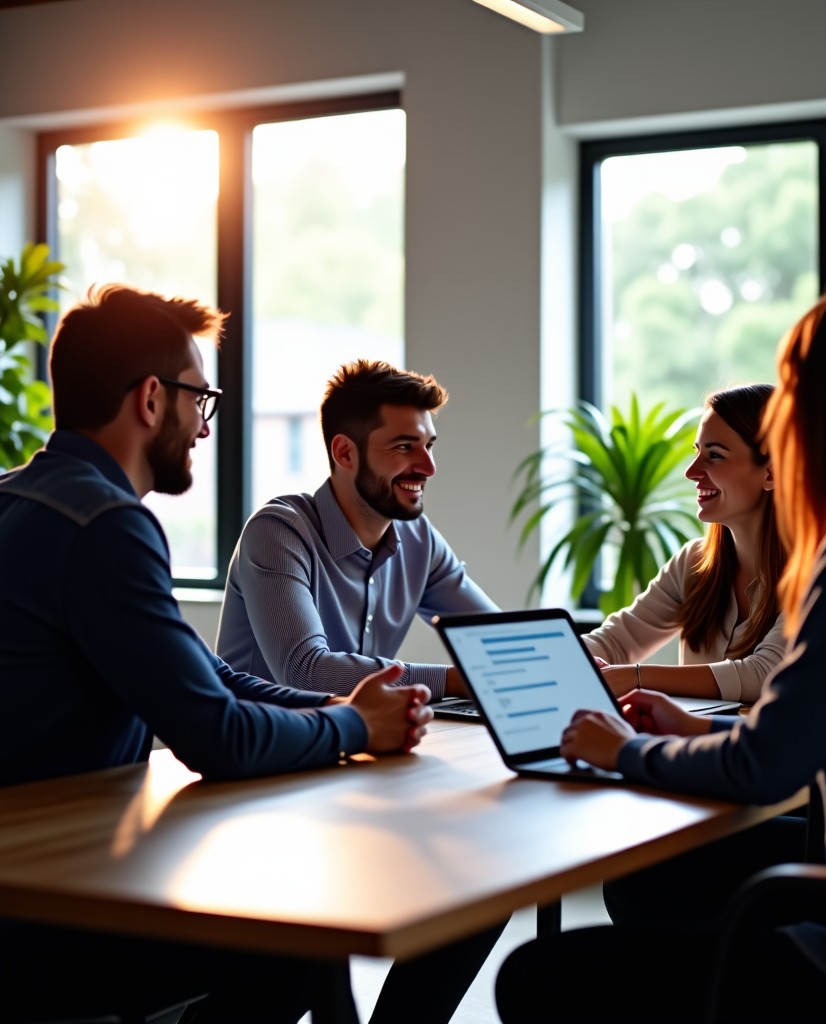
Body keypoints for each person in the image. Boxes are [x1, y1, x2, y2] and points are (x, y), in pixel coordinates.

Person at [494, 286, 826, 1023]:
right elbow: (816, 737)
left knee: (537, 978)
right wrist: (690, 730)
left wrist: (623, 751)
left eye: (794, 396)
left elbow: (766, 767)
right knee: (653, 885)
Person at [0, 283, 484, 1024]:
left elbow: (201, 672)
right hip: (50, 915)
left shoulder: (22, 498)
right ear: (151, 400)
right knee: (305, 927)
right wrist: (355, 728)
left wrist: (341, 710)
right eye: (201, 398)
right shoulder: (107, 526)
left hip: (50, 864)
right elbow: (217, 735)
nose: (203, 423)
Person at [216, 357, 498, 702]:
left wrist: (579, 647)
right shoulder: (278, 532)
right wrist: (453, 680)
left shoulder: (417, 539)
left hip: (353, 744)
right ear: (345, 453)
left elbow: (497, 639)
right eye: (404, 447)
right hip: (263, 748)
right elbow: (305, 671)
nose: (429, 467)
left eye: (429, 446)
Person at [582, 382, 787, 705]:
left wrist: (636, 677)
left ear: (771, 472)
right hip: (687, 750)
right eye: (696, 452)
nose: (692, 472)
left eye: (715, 456)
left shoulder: (818, 570)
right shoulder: (693, 563)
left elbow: (765, 675)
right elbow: (615, 643)